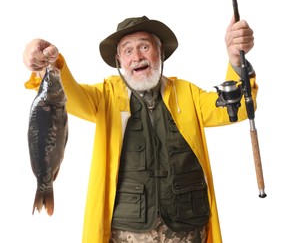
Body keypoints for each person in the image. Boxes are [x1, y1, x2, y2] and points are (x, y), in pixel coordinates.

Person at [23, 15, 257, 243]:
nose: (136, 57)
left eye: (145, 47)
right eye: (127, 50)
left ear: (160, 52)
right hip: (125, 234)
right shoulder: (106, 96)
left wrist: (236, 61)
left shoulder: (186, 93)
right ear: (119, 60)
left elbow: (235, 108)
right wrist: (48, 65)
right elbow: (68, 95)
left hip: (188, 230)